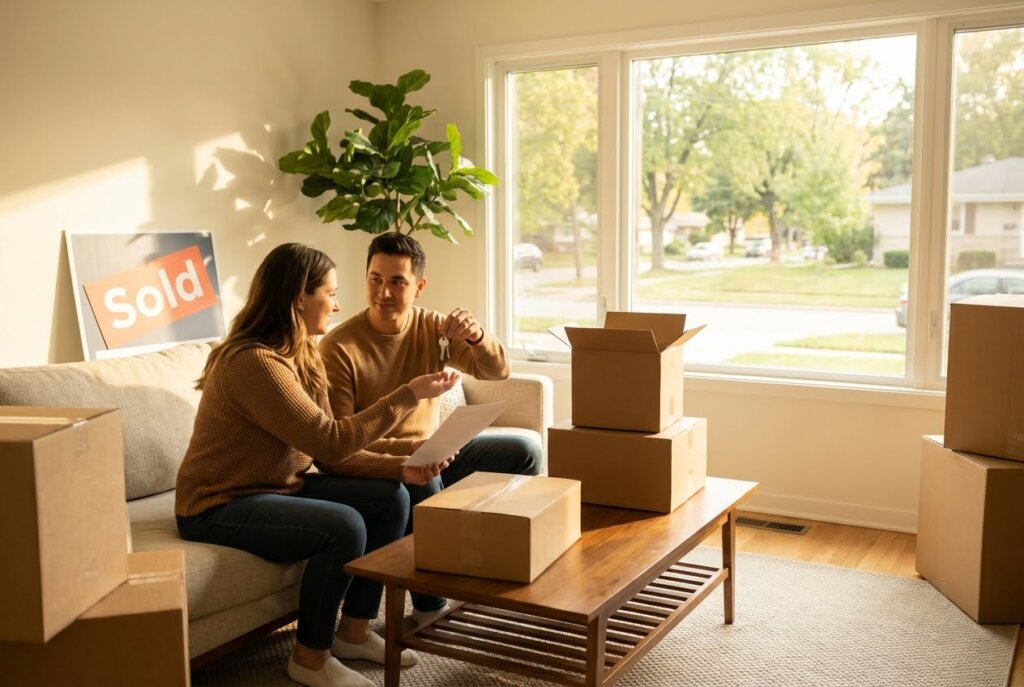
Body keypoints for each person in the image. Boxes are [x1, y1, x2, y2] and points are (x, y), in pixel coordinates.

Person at [175, 243, 458, 687]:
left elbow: (330, 455)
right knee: (343, 526)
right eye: (330, 291)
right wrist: (408, 395)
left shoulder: (304, 354)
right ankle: (308, 659)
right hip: (218, 504)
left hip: (276, 486)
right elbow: (330, 437)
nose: (339, 303)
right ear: (297, 298)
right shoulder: (253, 363)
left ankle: (354, 631)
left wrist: (402, 468)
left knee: (390, 499)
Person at [318, 232, 541, 622]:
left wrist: (477, 335)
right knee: (425, 480)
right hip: (381, 463)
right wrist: (411, 455)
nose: (383, 292)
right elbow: (342, 438)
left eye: (397, 282)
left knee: (524, 452)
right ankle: (429, 605)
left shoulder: (434, 327)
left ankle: (498, 569)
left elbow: (497, 371)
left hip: (435, 448)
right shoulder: (339, 347)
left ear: (419, 287)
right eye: (375, 279)